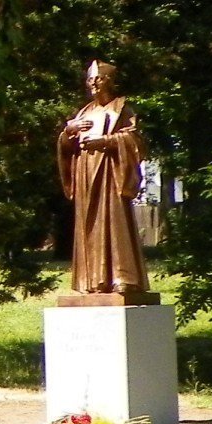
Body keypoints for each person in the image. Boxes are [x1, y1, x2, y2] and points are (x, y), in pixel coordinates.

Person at [57, 59, 151, 296]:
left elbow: (135, 142)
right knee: (90, 225)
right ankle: (93, 280)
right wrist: (69, 131)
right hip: (86, 172)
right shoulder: (85, 112)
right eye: (90, 79)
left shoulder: (122, 109)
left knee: (114, 221)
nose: (93, 83)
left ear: (109, 81)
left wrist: (106, 141)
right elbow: (66, 146)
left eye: (98, 78)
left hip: (110, 173)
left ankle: (123, 278)